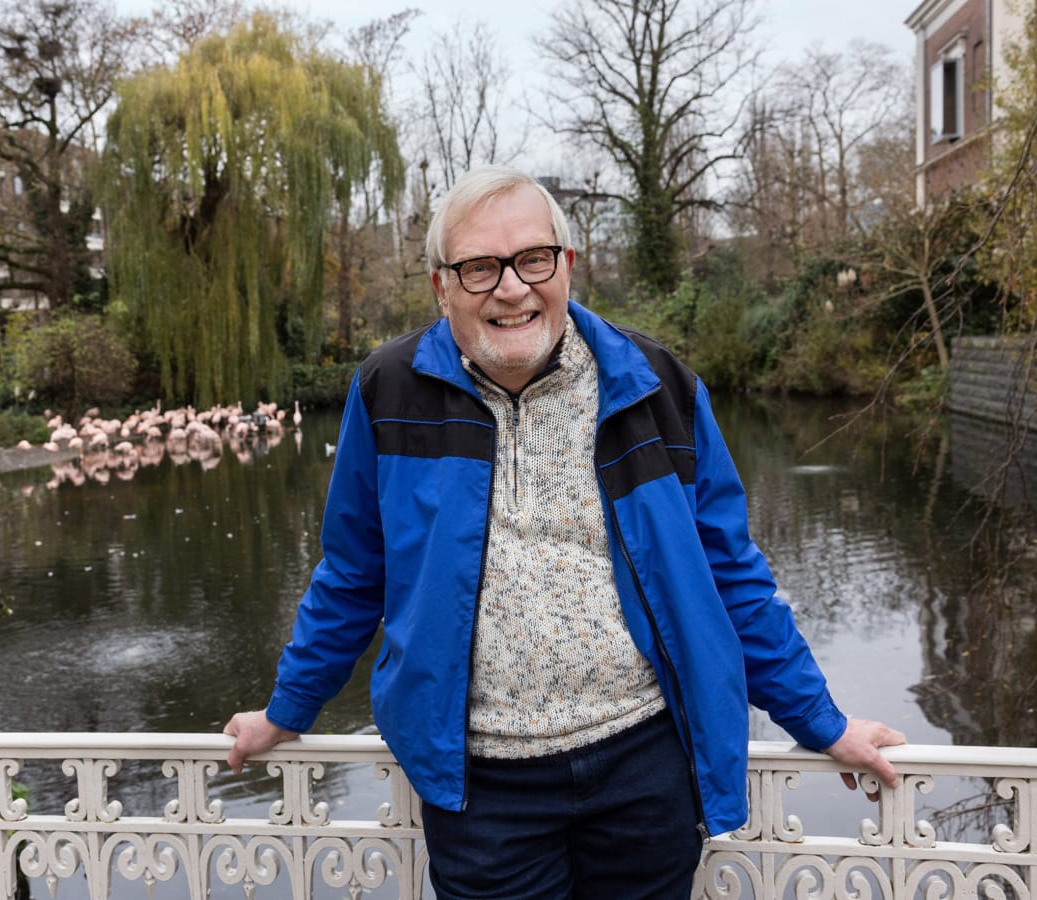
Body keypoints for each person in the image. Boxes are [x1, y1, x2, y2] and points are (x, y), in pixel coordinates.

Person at [224, 165, 906, 898]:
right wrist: (286, 710)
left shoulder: (656, 387)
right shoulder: (387, 391)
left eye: (532, 260)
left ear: (567, 266)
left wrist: (822, 721)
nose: (512, 288)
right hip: (481, 786)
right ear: (441, 287)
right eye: (480, 267)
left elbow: (730, 574)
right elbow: (354, 573)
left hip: (643, 764)